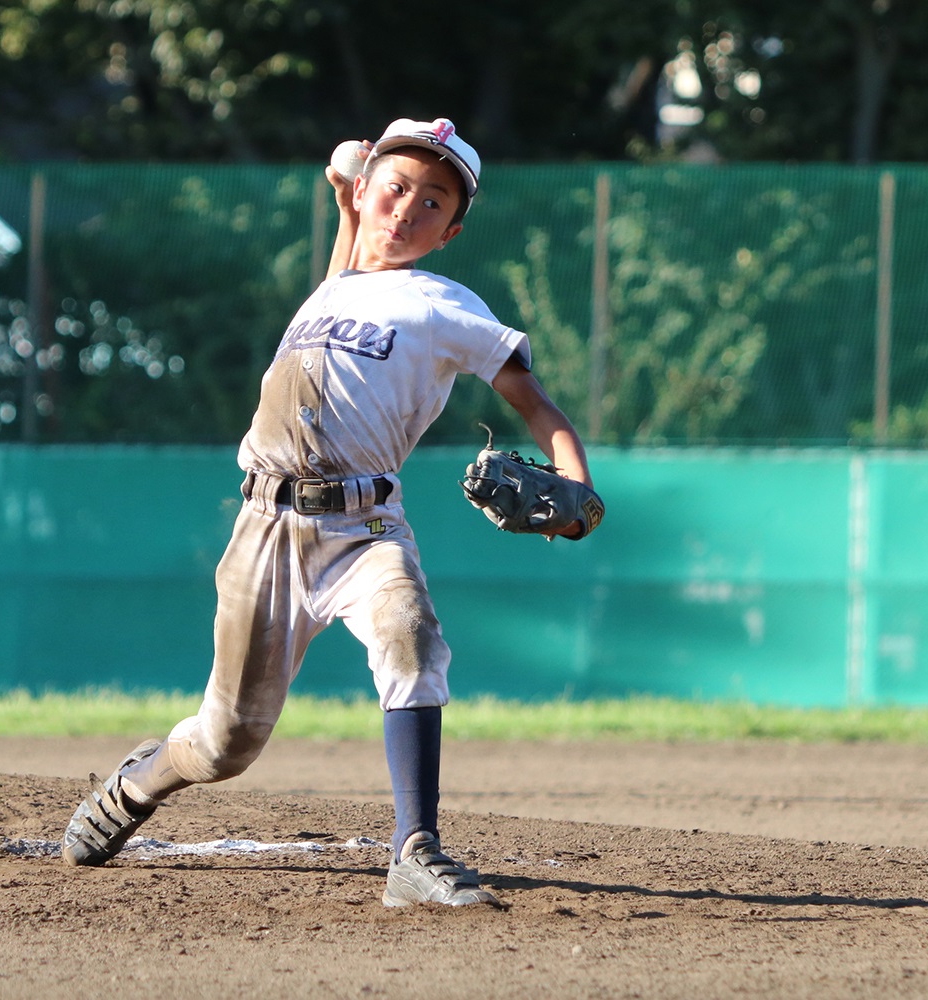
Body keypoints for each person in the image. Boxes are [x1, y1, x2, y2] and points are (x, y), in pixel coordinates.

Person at [62, 118, 596, 907]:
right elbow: (349, 241)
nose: (409, 207)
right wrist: (349, 187)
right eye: (399, 187)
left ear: (451, 231)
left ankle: (415, 851)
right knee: (225, 742)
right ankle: (143, 781)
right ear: (373, 194)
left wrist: (579, 492)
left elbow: (536, 403)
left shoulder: (444, 303)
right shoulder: (333, 287)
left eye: (434, 201)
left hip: (364, 526)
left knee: (409, 634)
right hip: (264, 530)